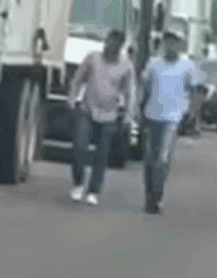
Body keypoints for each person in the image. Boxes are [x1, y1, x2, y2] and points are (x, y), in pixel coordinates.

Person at [67, 28, 135, 206]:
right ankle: (78, 183)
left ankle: (93, 190)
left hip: (109, 115)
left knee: (101, 155)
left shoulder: (126, 66)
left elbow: (130, 92)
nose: (110, 46)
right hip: (87, 109)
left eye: (115, 44)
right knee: (79, 147)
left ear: (120, 47)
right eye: (109, 42)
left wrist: (128, 114)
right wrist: (72, 97)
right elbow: (77, 79)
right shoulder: (93, 58)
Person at [140, 29, 197, 214]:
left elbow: (195, 90)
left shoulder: (187, 66)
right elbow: (145, 87)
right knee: (150, 159)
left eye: (174, 42)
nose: (170, 45)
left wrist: (191, 113)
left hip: (172, 118)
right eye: (168, 41)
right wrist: (138, 109)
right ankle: (149, 195)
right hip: (151, 115)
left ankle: (157, 196)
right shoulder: (154, 63)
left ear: (179, 45)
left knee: (163, 160)